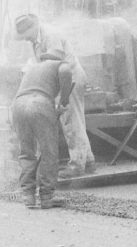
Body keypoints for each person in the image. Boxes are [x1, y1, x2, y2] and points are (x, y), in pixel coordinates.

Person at [13, 13, 96, 175]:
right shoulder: (36, 40)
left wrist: (35, 65)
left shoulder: (50, 34)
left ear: (33, 27)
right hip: (60, 80)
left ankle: (77, 166)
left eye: (26, 35)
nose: (25, 39)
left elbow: (56, 57)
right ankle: (89, 162)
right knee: (75, 121)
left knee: (71, 122)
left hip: (70, 78)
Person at [11, 51, 74, 209]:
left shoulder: (32, 68)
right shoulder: (59, 64)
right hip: (40, 103)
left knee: (26, 152)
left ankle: (28, 196)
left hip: (18, 105)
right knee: (49, 152)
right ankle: (46, 197)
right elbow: (66, 72)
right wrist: (64, 102)